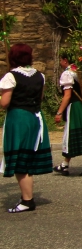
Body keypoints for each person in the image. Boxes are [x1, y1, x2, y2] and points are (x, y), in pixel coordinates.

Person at [0, 43, 52, 213]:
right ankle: (27, 198)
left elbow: (5, 103)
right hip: (36, 118)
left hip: (19, 118)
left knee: (20, 159)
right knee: (27, 159)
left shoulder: (11, 76)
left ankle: (27, 200)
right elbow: (40, 97)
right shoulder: (40, 76)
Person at [53, 51, 82, 176]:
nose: (60, 62)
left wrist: (59, 112)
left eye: (60, 59)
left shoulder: (67, 73)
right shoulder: (80, 71)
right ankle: (68, 165)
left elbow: (67, 96)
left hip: (75, 107)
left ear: (65, 60)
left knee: (71, 135)